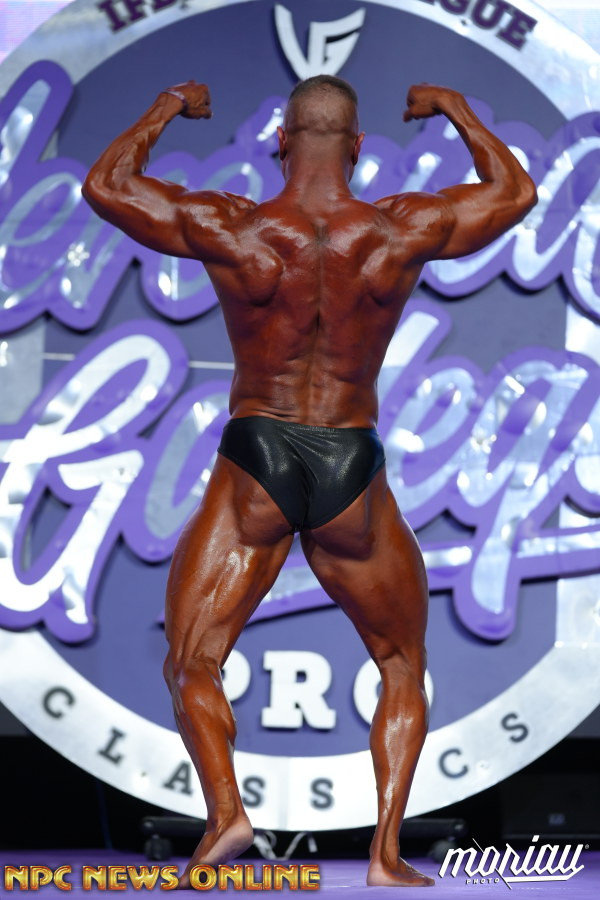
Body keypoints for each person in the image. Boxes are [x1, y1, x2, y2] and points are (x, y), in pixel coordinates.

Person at [83, 75, 536, 887]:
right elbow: (515, 192)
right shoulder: (401, 228)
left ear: (279, 141)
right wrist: (453, 108)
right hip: (349, 459)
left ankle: (227, 814)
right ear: (358, 147)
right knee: (400, 662)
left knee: (193, 660)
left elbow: (106, 187)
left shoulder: (233, 225)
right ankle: (386, 855)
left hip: (257, 451)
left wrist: (167, 107)